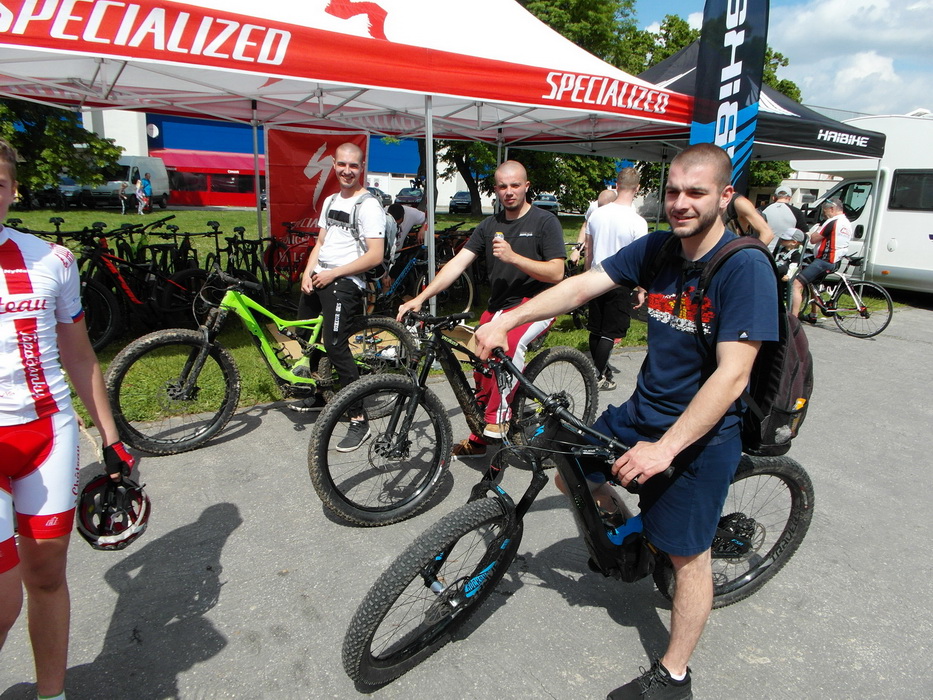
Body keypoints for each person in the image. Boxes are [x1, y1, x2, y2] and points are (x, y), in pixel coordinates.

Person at [474, 143, 778, 700]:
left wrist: (665, 450)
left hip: (702, 433)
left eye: (696, 192)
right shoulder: (660, 248)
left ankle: (675, 676)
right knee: (570, 472)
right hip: (643, 410)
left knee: (688, 558)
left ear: (725, 196)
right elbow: (582, 285)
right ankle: (632, 535)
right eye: (673, 191)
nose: (681, 202)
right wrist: (510, 320)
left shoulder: (744, 267)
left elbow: (733, 376)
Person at [0, 139, 136, 700]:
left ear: (13, 190)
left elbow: (80, 357)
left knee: (47, 575)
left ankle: (51, 694)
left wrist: (110, 438)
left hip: (47, 432)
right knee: (3, 600)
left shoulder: (52, 260)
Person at [397, 160, 565, 459]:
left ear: (526, 186)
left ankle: (498, 419)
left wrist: (514, 257)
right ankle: (480, 436)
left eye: (515, 185)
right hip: (500, 305)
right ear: (496, 189)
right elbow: (457, 264)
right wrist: (420, 297)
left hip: (538, 303)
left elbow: (556, 273)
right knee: (481, 363)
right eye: (503, 186)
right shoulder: (489, 226)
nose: (509, 191)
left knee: (506, 345)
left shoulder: (544, 222)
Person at [289, 143, 385, 453]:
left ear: (362, 167)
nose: (347, 170)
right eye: (342, 164)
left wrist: (334, 274)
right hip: (320, 276)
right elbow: (320, 242)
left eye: (353, 166)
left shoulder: (368, 206)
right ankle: (320, 393)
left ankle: (358, 418)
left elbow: (375, 255)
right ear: (333, 164)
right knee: (306, 337)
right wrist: (308, 272)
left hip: (345, 282)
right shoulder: (330, 200)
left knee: (335, 345)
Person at [584, 168, 648, 390]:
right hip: (620, 280)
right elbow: (640, 260)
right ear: (637, 188)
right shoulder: (638, 222)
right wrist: (641, 289)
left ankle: (599, 371)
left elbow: (589, 251)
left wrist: (585, 276)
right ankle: (596, 376)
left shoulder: (597, 214)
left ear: (617, 185)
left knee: (596, 329)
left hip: (595, 276)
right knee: (610, 333)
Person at [792, 197, 852, 322]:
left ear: (832, 209)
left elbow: (814, 239)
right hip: (835, 261)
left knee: (796, 284)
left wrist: (815, 231)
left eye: (825, 211)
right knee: (813, 284)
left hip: (824, 260)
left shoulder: (832, 222)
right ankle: (813, 315)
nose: (824, 215)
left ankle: (792, 319)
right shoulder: (846, 222)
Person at [761, 186, 807, 253]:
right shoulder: (797, 212)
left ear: (774, 197)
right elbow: (804, 233)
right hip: (783, 252)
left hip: (762, 249)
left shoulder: (762, 209)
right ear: (789, 198)